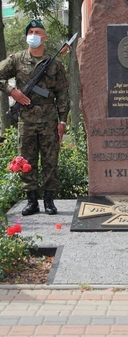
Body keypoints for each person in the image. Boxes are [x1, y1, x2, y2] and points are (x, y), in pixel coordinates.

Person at [0, 19, 69, 215]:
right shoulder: (17, 60)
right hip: (26, 120)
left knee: (50, 160)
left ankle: (48, 200)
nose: (34, 35)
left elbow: (63, 93)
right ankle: (32, 201)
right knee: (27, 159)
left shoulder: (54, 63)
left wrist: (62, 120)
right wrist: (12, 92)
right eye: (31, 32)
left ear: (44, 37)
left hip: (49, 120)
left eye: (38, 32)